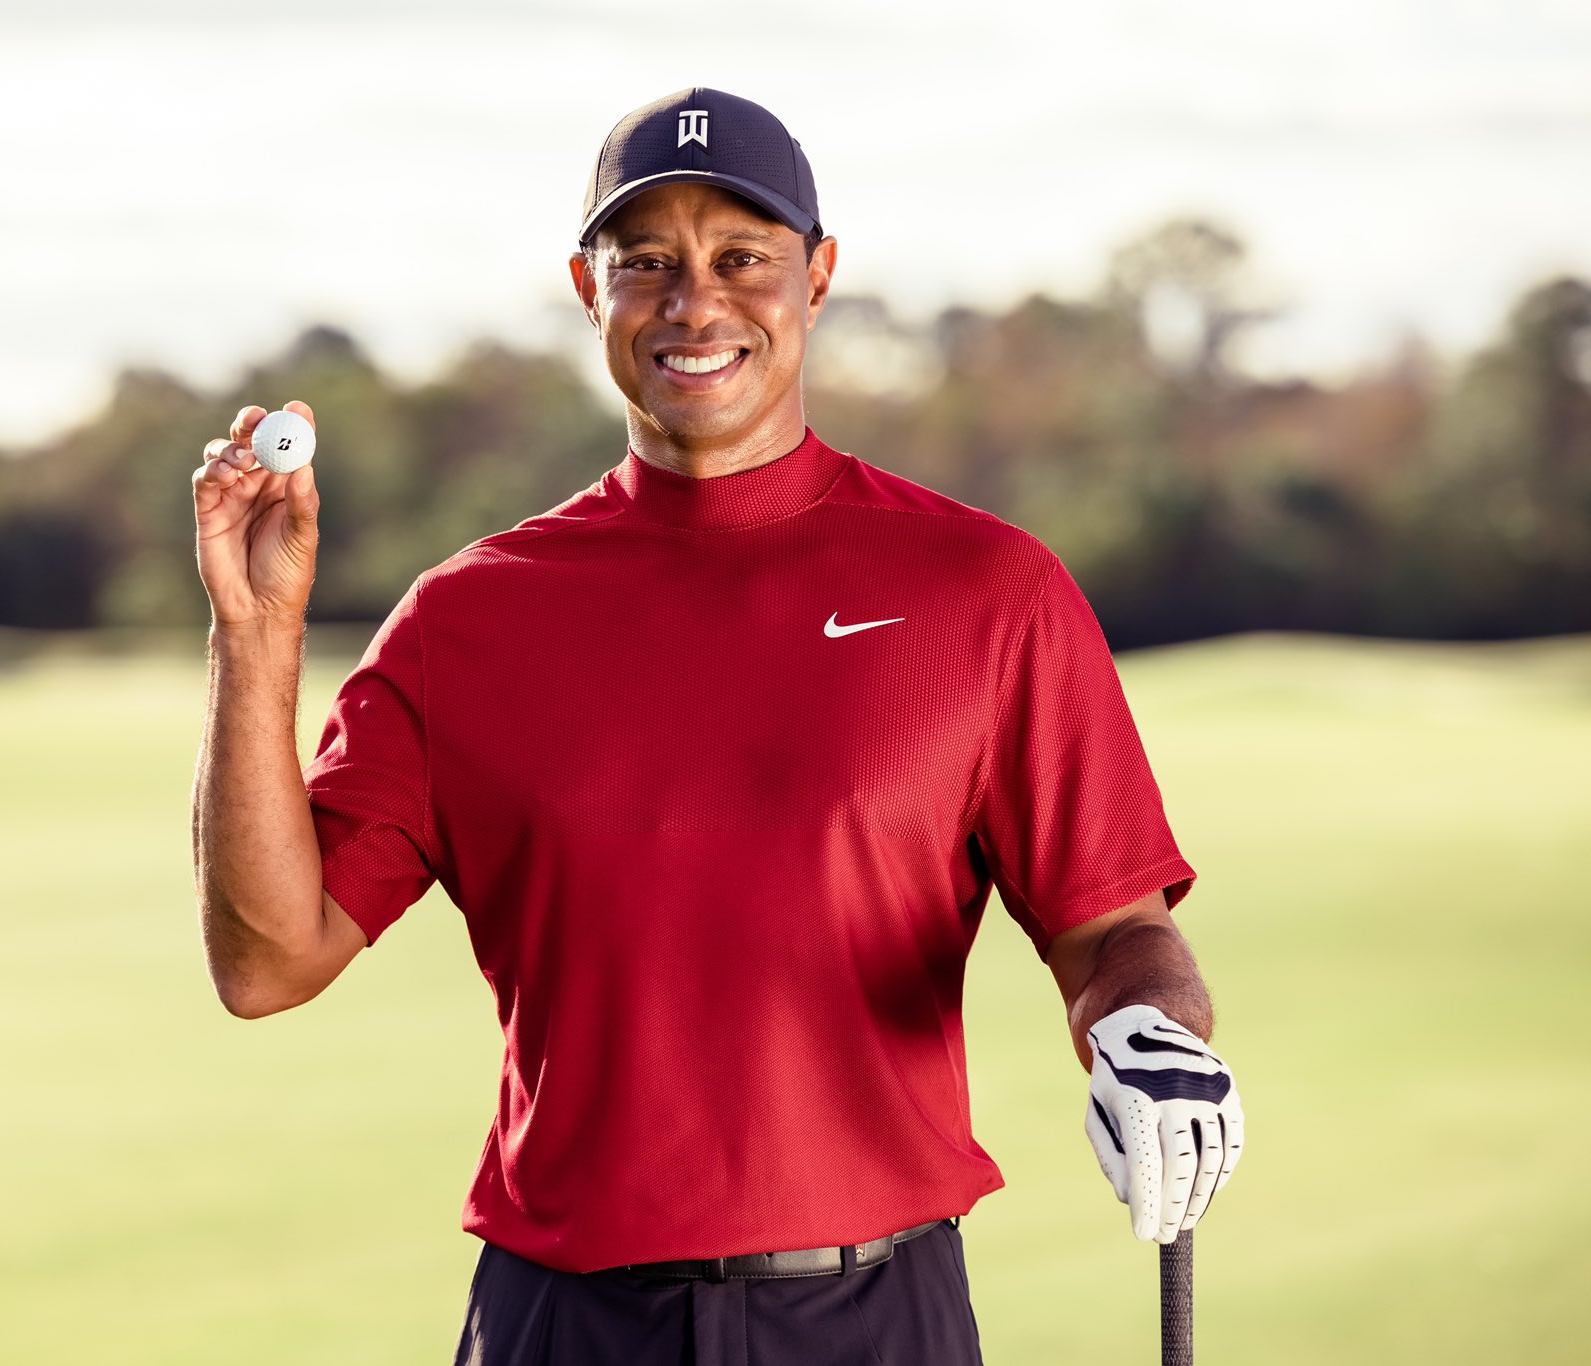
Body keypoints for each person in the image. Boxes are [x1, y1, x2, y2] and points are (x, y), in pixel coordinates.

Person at [189, 87, 1245, 1366]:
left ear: (817, 278)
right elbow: (267, 962)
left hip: (875, 1322)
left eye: (741, 257)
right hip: (563, 1323)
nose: (693, 303)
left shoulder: (987, 593)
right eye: (645, 262)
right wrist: (255, 632)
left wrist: (1146, 1027)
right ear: (586, 291)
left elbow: (1116, 932)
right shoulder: (464, 620)